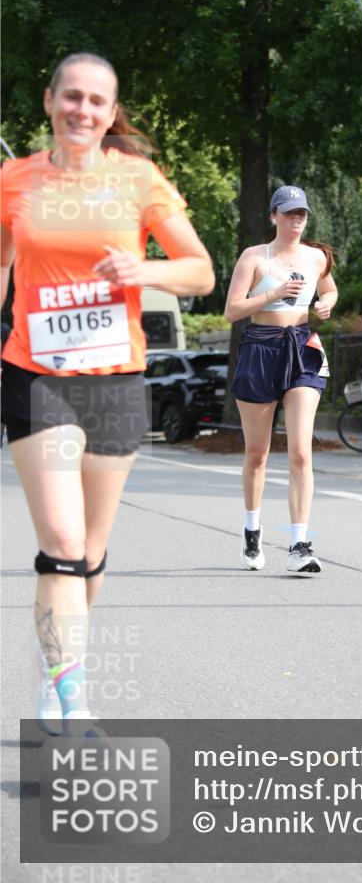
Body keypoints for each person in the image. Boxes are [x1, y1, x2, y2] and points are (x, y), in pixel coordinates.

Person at [0, 52, 215, 734]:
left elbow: (201, 272)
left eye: (96, 101)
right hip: (37, 372)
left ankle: (56, 670)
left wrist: (142, 266)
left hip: (115, 378)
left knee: (90, 552)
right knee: (61, 542)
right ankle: (75, 708)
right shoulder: (15, 180)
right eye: (72, 97)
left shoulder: (138, 179)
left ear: (109, 110)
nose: (82, 110)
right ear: (49, 101)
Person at [224, 186, 337, 575]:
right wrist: (272, 292)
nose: (296, 220)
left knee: (301, 452)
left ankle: (299, 545)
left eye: (302, 213)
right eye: (289, 213)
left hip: (304, 346)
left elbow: (329, 287)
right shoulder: (254, 257)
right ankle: (252, 531)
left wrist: (327, 303)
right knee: (257, 454)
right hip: (260, 349)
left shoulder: (316, 257)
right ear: (274, 216)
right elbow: (231, 310)